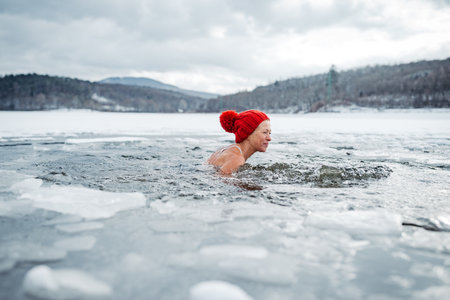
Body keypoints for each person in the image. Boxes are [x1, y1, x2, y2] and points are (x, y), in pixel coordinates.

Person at [208, 109, 271, 174]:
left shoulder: (230, 151)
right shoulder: (236, 159)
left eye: (269, 133)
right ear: (248, 133)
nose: (269, 138)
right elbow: (218, 180)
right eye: (264, 132)